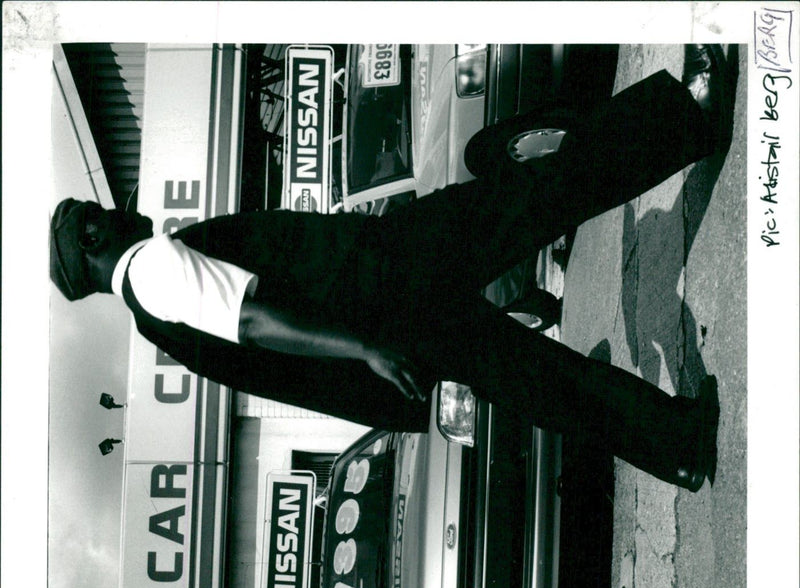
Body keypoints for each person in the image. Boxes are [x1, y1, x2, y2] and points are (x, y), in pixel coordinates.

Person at [51, 45, 733, 491]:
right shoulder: (150, 270)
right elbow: (252, 318)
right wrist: (366, 346)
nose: (117, 210)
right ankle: (687, 115)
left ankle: (677, 443)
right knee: (532, 196)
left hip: (384, 314)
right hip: (383, 287)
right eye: (100, 212)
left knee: (543, 382)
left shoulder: (152, 318)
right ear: (90, 236)